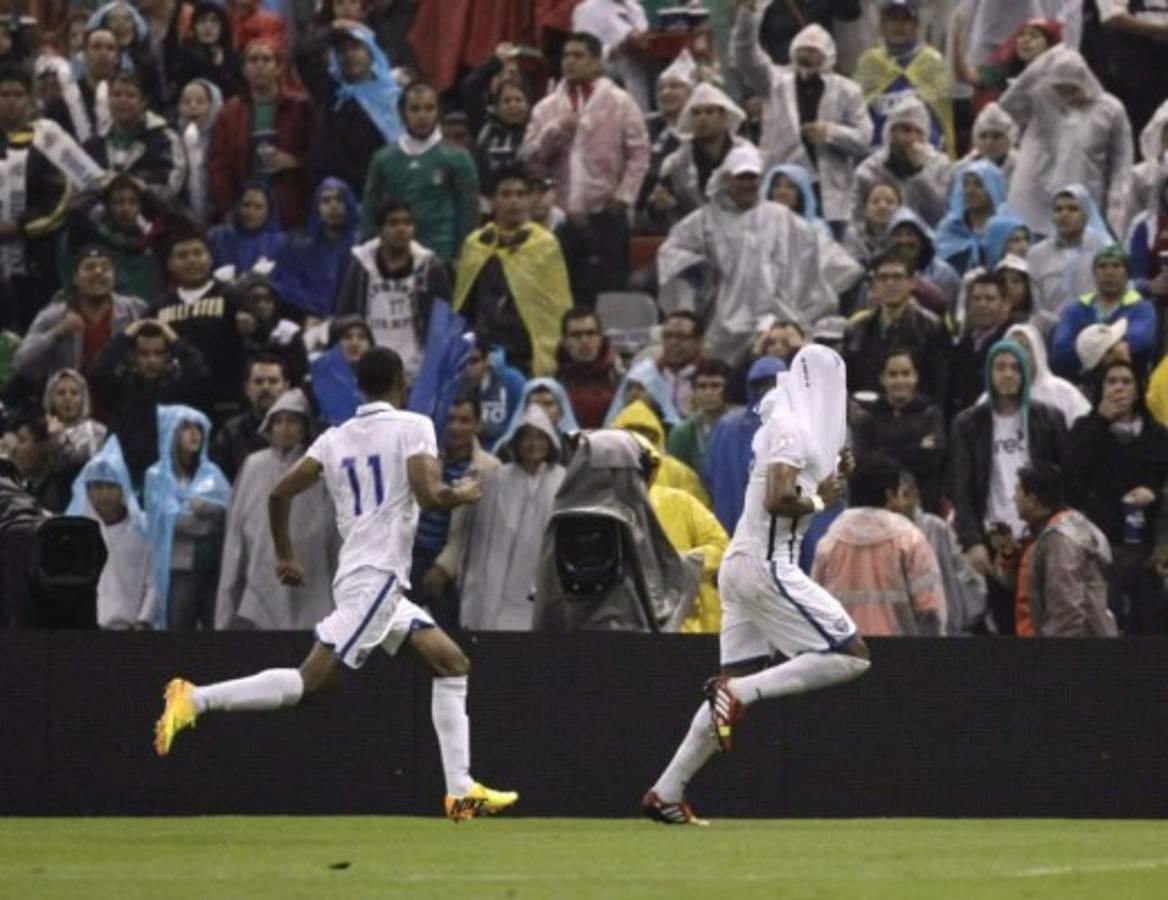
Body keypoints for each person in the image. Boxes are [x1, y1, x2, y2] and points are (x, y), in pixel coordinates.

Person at [153, 346, 519, 822]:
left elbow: (280, 491)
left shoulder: (334, 439)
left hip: (369, 579)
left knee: (451, 662)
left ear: (359, 388)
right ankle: (195, 698)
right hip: (377, 580)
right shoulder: (414, 427)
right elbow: (430, 495)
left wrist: (285, 554)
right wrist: (462, 493)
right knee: (312, 683)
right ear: (399, 385)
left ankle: (461, 790)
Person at [642, 345, 869, 825]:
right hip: (769, 563)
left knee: (729, 681)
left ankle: (666, 792)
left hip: (743, 564)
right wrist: (819, 499)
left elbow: (795, 479)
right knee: (851, 653)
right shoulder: (790, 428)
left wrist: (831, 473)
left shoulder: (786, 424)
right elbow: (780, 496)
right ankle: (744, 695)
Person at [657, 144, 834, 364]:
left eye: (753, 178)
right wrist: (700, 271)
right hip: (721, 323)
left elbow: (809, 263)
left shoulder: (782, 219)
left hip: (775, 321)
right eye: (741, 177)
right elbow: (672, 252)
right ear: (726, 179)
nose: (747, 184)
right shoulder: (704, 220)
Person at [520, 31, 649, 308]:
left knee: (611, 294)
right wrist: (555, 130)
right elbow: (530, 160)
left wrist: (624, 196)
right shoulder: (546, 108)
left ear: (595, 63)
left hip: (607, 214)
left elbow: (639, 152)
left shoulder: (620, 101)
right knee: (562, 295)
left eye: (578, 56)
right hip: (561, 217)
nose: (570, 62)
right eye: (566, 56)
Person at [949, 338, 1067, 633]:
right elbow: (961, 488)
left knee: (1041, 620)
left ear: (1026, 373)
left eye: (1015, 367)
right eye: (1000, 367)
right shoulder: (969, 423)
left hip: (1039, 535)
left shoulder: (1048, 419)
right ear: (989, 373)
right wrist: (972, 541)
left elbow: (1063, 482)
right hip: (994, 537)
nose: (1008, 374)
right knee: (1001, 623)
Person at [733, 11, 872, 231]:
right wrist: (747, 18)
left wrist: (830, 133)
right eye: (801, 49)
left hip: (829, 199)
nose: (805, 55)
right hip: (780, 189)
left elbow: (865, 138)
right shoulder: (773, 83)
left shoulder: (848, 91)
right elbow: (746, 55)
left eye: (813, 51)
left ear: (827, 55)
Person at [216, 388, 338, 630]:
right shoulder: (254, 465)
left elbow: (330, 521)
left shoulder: (317, 467)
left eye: (292, 421)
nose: (284, 428)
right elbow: (239, 520)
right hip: (262, 560)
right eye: (278, 421)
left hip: (309, 562)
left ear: (305, 427)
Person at [438, 404, 564, 631]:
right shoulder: (496, 480)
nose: (533, 444)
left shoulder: (562, 481)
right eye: (527, 437)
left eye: (539, 437)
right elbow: (481, 540)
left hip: (543, 580)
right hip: (501, 587)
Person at [1066, 360, 1168, 634]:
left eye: (1126, 381)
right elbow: (1072, 475)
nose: (1119, 388)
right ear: (1100, 388)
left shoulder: (1157, 434)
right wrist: (1100, 421)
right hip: (1100, 549)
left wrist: (1154, 494)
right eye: (1111, 381)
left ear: (1138, 390)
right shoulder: (1085, 428)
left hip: (1146, 551)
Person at [0, 66, 104, 333]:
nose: (10, 101)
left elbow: (73, 188)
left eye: (18, 94)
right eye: (4, 94)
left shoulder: (46, 135)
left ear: (30, 98)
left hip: (39, 255)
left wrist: (22, 226)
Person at [999, 46, 1133, 237]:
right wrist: (1043, 62)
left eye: (1072, 88)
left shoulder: (1109, 110)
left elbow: (1121, 165)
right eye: (1059, 89)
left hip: (1084, 202)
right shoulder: (1041, 100)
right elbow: (1007, 104)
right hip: (1035, 202)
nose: (1066, 95)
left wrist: (1116, 212)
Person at [453, 168, 573, 378]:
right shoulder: (476, 244)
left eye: (520, 194)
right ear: (492, 201)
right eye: (506, 194)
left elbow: (555, 308)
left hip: (527, 353)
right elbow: (464, 304)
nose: (514, 201)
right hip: (483, 351)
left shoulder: (544, 244)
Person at [812, 453, 945, 636]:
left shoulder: (829, 542)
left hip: (846, 654)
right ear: (889, 495)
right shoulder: (910, 539)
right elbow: (929, 608)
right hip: (902, 656)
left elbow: (814, 605)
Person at [360, 80, 478, 263]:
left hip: (441, 257)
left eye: (429, 108)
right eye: (414, 109)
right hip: (394, 258)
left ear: (438, 112)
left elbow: (467, 211)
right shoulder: (383, 159)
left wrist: (461, 256)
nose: (422, 116)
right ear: (402, 113)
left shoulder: (458, 158)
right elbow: (370, 208)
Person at [335, 200, 450, 385]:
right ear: (380, 230)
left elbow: (442, 323)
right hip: (367, 365)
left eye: (407, 223)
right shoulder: (360, 265)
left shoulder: (431, 267)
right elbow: (345, 315)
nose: (401, 229)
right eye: (393, 223)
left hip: (417, 370)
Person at [88, 318, 210, 488]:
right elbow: (98, 371)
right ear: (132, 356)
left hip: (169, 482)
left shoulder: (178, 390)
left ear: (168, 356)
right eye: (144, 353)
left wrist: (174, 339)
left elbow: (199, 373)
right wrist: (125, 336)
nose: (151, 360)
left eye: (158, 353)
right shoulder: (119, 389)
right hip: (126, 480)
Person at [411, 394, 499, 627]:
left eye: (464, 420)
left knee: (449, 640)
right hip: (410, 559)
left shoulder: (489, 469)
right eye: (450, 419)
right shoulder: (422, 458)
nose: (455, 427)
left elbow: (477, 530)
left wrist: (444, 567)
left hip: (455, 569)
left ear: (477, 424)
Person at [1002, 462, 1119, 637]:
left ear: (1032, 500)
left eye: (1017, 491)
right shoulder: (1043, 534)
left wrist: (1055, 657)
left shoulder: (1061, 541)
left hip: (1068, 654)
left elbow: (1066, 611)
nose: (1013, 498)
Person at [209, 39, 313, 228]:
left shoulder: (300, 107)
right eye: (253, 60)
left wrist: (295, 162)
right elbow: (219, 164)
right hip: (245, 209)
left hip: (291, 210)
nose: (260, 66)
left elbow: (318, 152)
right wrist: (229, 208)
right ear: (244, 69)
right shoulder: (230, 112)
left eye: (266, 60)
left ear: (279, 68)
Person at [144, 404, 230, 631]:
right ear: (171, 432)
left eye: (198, 428)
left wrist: (209, 511)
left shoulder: (214, 473)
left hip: (214, 569)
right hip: (178, 571)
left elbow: (230, 515)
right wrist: (209, 520)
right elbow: (172, 521)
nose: (194, 434)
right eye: (186, 428)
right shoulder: (156, 476)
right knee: (178, 636)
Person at [148, 231, 252, 416]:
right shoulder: (158, 306)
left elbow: (262, 332)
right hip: (174, 401)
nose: (191, 260)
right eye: (182, 256)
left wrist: (253, 325)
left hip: (225, 400)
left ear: (210, 258)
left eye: (198, 253)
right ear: (169, 264)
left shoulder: (232, 296)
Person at [14, 246, 147, 385]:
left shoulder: (135, 309)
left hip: (122, 399)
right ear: (75, 278)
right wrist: (57, 333)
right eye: (89, 267)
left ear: (114, 277)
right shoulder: (54, 315)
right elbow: (22, 363)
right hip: (69, 400)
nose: (98, 272)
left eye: (105, 268)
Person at [641, 434, 730, 634]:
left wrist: (679, 564)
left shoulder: (680, 502)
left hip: (689, 621)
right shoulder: (599, 510)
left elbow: (721, 546)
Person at [66, 435, 156, 630]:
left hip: (131, 630)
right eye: (97, 486)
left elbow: (155, 580)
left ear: (124, 487)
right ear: (87, 490)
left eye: (111, 486)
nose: (104, 494)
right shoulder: (76, 531)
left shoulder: (145, 528)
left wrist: (144, 620)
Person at [302, 22, 401, 195]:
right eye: (342, 50)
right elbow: (305, 54)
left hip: (379, 195)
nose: (349, 55)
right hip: (335, 198)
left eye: (356, 47)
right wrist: (333, 30)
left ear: (371, 53)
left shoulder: (393, 97)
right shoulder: (331, 93)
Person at [843, 251, 950, 404]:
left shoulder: (931, 327)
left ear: (911, 282)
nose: (890, 283)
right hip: (866, 415)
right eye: (883, 278)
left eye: (898, 277)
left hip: (916, 418)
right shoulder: (857, 328)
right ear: (873, 285)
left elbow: (940, 386)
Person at [850, 347, 945, 512]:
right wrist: (916, 448)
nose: (900, 380)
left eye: (906, 373)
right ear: (882, 378)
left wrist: (882, 453)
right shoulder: (867, 418)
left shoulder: (930, 414)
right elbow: (863, 466)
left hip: (924, 506)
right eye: (893, 375)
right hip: (877, 509)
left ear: (916, 376)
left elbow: (932, 459)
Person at [855, 0, 954, 154]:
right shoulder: (869, 63)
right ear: (882, 25)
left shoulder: (932, 62)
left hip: (925, 156)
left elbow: (940, 118)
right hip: (876, 156)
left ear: (916, 25)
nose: (899, 26)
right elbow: (859, 116)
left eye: (906, 20)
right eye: (893, 19)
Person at [1050, 246, 1159, 379]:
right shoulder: (1075, 309)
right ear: (1094, 273)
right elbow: (1061, 349)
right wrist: (1110, 351)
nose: (1109, 272)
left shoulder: (1142, 308)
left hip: (1129, 384)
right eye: (1102, 266)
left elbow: (1139, 341)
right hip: (1082, 383)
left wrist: (1089, 348)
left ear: (1127, 273)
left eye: (1116, 266)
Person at [702, 355, 782, 532]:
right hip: (735, 521)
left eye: (774, 384)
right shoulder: (727, 427)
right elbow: (709, 474)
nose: (768, 391)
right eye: (762, 385)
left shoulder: (798, 427)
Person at [57, 174, 166, 302]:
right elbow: (74, 211)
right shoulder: (93, 236)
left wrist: (147, 192)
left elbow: (178, 220)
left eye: (133, 202)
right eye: (118, 202)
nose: (126, 208)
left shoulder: (152, 238)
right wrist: (99, 188)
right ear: (107, 206)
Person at [850, 94, 951, 229]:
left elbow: (943, 214)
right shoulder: (869, 170)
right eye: (905, 130)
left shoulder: (940, 164)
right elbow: (855, 221)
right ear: (890, 133)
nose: (912, 138)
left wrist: (919, 173)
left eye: (918, 132)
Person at [83, 71, 187, 202]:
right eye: (116, 95)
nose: (122, 101)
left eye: (130, 95)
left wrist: (132, 185)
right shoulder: (94, 143)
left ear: (144, 102)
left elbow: (171, 186)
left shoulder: (164, 139)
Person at [272, 177, 360, 320]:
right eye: (326, 201)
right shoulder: (301, 247)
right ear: (317, 207)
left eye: (339, 199)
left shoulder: (361, 245)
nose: (333, 206)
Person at [1025, 184, 1113, 320]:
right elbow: (1036, 304)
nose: (1064, 215)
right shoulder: (1037, 254)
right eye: (1058, 210)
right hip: (1049, 327)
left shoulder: (1104, 247)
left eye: (1073, 209)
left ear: (1086, 215)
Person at [210, 354, 288, 482]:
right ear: (247, 388)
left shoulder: (303, 430)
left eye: (273, 381)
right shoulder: (231, 432)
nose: (265, 387)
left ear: (286, 387)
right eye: (258, 381)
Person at [948, 270, 1013, 418]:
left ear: (1006, 305)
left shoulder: (1012, 340)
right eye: (976, 299)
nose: (982, 304)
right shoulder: (962, 345)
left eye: (990, 299)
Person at [1003, 322, 1091, 428]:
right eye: (1012, 348)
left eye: (1025, 347)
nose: (1018, 353)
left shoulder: (1063, 391)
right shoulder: (991, 398)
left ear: (1037, 352)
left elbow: (1085, 429)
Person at [571, 0, 651, 110]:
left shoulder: (635, 7)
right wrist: (619, 48)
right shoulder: (587, 10)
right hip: (606, 91)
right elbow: (583, 55)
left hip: (642, 80)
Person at [933, 160, 1009, 275]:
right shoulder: (949, 229)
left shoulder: (1008, 231)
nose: (969, 191)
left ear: (993, 188)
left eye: (978, 184)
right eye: (965, 184)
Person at [667, 358, 734, 482]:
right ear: (694, 391)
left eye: (715, 386)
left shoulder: (740, 427)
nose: (708, 393)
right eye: (702, 387)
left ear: (728, 389)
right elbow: (675, 477)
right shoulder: (682, 433)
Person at [554, 307, 622, 429]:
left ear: (601, 338)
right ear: (564, 341)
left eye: (590, 333)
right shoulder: (554, 384)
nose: (584, 341)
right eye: (576, 335)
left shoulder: (619, 380)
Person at [207, 182, 286, 275]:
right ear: (238, 206)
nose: (251, 212)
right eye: (246, 205)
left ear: (268, 212)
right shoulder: (217, 237)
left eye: (258, 207)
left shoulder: (280, 243)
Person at [5, 411, 74, 513]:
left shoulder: (64, 487)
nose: (14, 449)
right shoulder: (22, 488)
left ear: (43, 445)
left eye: (22, 440)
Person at [474, 76, 531, 197]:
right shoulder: (485, 130)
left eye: (518, 100)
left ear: (528, 105)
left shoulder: (535, 132)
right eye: (506, 101)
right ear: (496, 108)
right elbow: (471, 87)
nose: (513, 105)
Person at [173, 3, 241, 100]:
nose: (207, 26)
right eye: (202, 21)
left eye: (214, 21)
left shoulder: (232, 57)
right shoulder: (185, 56)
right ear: (194, 27)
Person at [42, 368, 107, 469]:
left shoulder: (97, 431)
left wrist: (59, 437)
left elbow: (79, 463)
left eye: (74, 393)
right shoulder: (42, 432)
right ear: (51, 399)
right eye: (61, 393)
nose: (68, 398)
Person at [956, 102, 1018, 185]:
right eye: (983, 136)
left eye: (996, 136)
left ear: (1010, 139)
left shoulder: (1021, 168)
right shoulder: (962, 168)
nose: (989, 142)